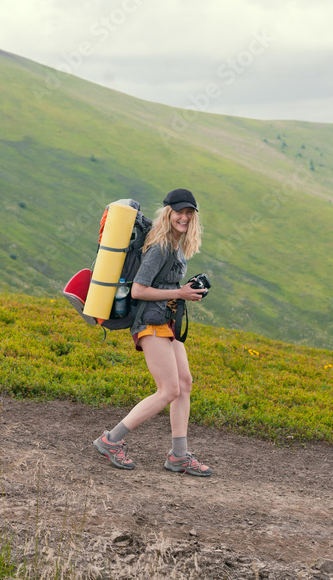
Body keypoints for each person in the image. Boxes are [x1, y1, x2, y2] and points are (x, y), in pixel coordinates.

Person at [93, 188, 212, 477]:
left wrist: (186, 293)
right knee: (169, 389)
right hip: (150, 322)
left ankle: (179, 456)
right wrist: (180, 293)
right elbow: (139, 290)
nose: (183, 217)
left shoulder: (176, 246)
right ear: (168, 212)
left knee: (184, 383)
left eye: (188, 213)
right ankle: (111, 440)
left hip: (166, 322)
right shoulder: (160, 246)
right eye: (178, 211)